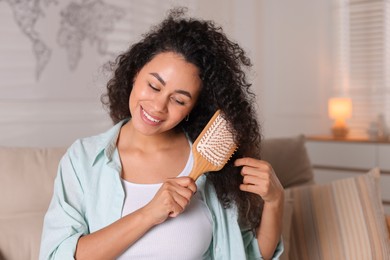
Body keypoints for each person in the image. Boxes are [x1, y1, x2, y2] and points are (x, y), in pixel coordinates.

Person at [40, 8, 284, 260]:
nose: (158, 106)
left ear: (194, 107)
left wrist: (275, 202)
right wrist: (148, 213)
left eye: (179, 100)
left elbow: (248, 255)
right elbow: (58, 256)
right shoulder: (83, 160)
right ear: (136, 72)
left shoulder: (213, 168)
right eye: (154, 85)